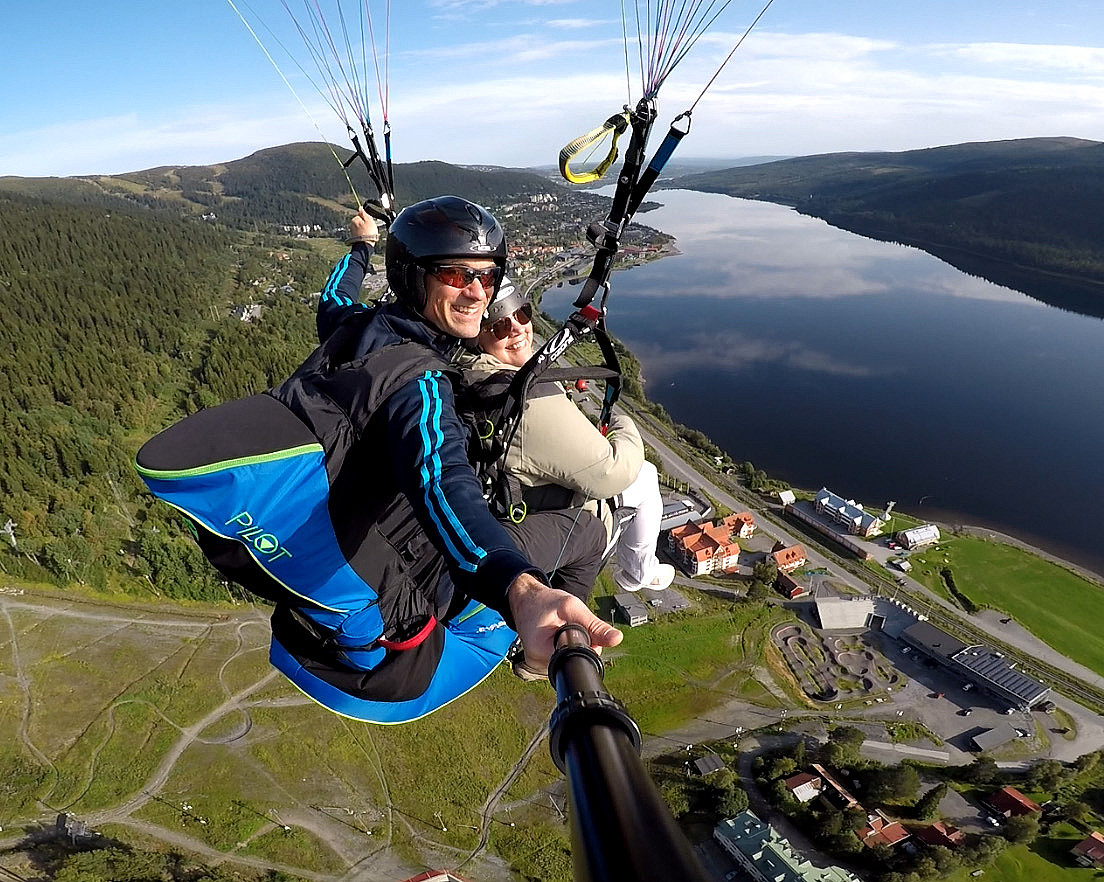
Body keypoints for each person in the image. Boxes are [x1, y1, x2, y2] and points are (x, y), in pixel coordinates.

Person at [315, 197, 619, 676]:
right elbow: (445, 482)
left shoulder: (354, 327)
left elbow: (334, 299)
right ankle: (550, 652)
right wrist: (522, 590)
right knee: (593, 524)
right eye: (457, 275)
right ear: (414, 277)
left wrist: (359, 248)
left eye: (489, 277)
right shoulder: (421, 384)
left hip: (352, 540)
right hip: (417, 579)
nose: (478, 293)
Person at [459, 278, 675, 593]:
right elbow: (610, 472)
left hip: (514, 498)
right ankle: (638, 573)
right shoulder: (523, 398)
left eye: (523, 314)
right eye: (500, 326)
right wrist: (622, 423)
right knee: (643, 474)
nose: (518, 328)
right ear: (476, 335)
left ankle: (637, 570)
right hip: (560, 517)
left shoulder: (469, 371)